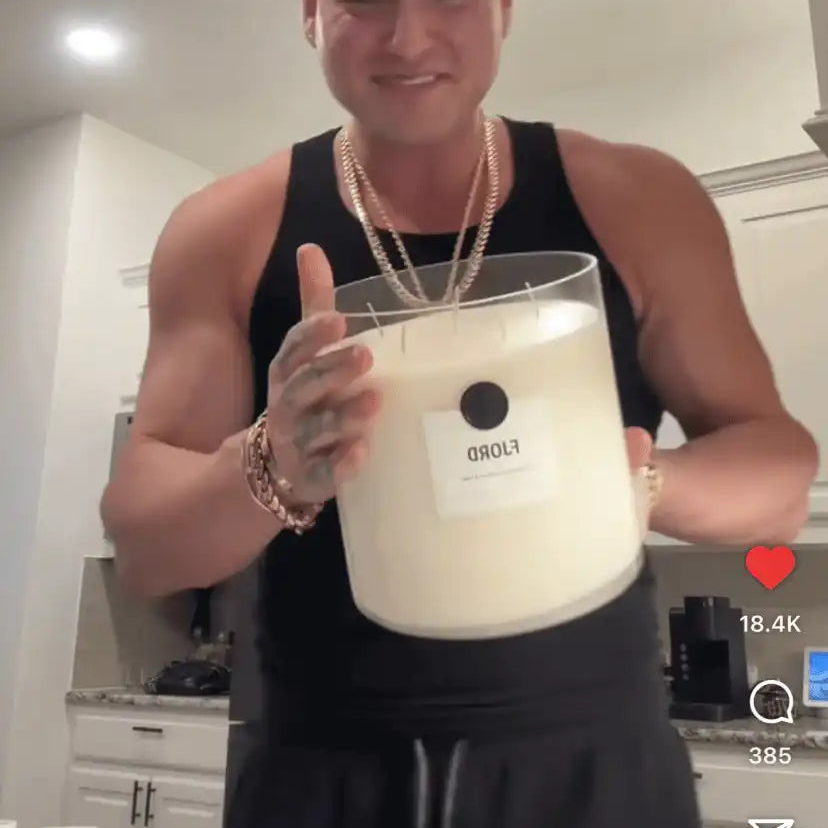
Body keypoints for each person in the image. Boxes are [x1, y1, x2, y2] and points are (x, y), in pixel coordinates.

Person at [101, 0, 819, 825]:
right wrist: (271, 463)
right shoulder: (226, 231)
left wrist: (635, 481)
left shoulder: (637, 198)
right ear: (310, 15)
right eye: (365, 4)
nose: (409, 37)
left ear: (504, 9)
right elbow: (148, 549)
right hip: (322, 767)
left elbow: (779, 482)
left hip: (595, 762)